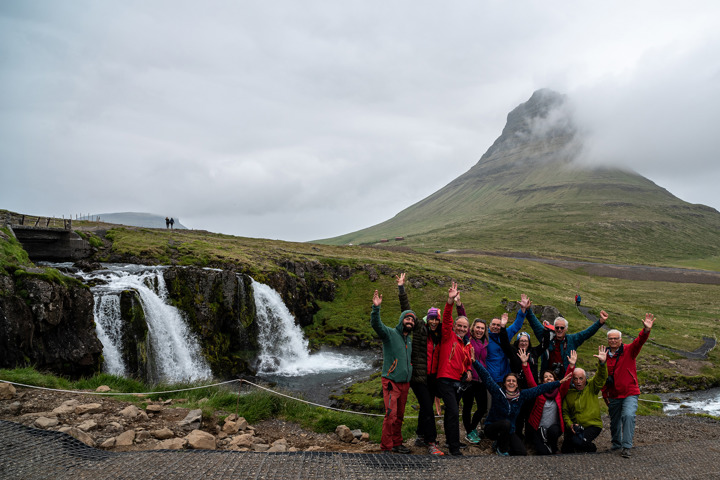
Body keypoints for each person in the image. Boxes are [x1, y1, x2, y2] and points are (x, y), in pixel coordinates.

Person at [473, 350, 572, 456]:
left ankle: (499, 444)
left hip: (508, 431)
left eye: (513, 381)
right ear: (505, 383)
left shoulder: (521, 395)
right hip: (492, 428)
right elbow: (487, 378)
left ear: (517, 384)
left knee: (521, 452)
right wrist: (475, 362)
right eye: (508, 381)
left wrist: (558, 383)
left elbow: (539, 389)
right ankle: (501, 449)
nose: (511, 383)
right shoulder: (498, 392)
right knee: (506, 423)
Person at [396, 273, 444, 456]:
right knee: (427, 407)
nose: (433, 322)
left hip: (432, 377)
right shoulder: (420, 328)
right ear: (427, 319)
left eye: (436, 319)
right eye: (431, 318)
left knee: (426, 406)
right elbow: (406, 310)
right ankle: (432, 443)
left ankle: (420, 436)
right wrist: (401, 288)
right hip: (418, 376)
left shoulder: (440, 336)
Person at [602, 313, 656, 458]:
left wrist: (646, 330)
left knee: (628, 415)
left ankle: (626, 447)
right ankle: (616, 443)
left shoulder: (629, 350)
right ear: (608, 340)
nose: (613, 341)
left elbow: (640, 341)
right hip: (613, 393)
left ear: (621, 340)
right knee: (614, 420)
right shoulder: (604, 354)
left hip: (630, 392)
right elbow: (602, 376)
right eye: (610, 339)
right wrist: (604, 393)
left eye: (615, 338)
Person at [370, 289, 415, 454]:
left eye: (412, 319)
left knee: (400, 415)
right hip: (390, 381)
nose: (410, 321)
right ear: (402, 320)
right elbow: (376, 325)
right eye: (407, 318)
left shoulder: (409, 341)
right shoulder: (390, 334)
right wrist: (376, 309)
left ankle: (397, 443)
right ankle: (386, 447)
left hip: (405, 383)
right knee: (391, 414)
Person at [436, 281, 473, 456]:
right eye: (459, 326)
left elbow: (467, 362)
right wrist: (450, 301)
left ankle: (452, 441)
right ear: (454, 326)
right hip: (445, 379)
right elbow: (446, 317)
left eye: (465, 327)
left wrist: (469, 371)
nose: (462, 328)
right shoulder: (447, 335)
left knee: (453, 412)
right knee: (452, 410)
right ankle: (454, 447)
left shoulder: (465, 343)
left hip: (457, 381)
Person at [524, 350, 577, 455]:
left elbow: (566, 382)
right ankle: (545, 445)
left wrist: (571, 365)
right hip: (539, 428)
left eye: (550, 376)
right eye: (545, 377)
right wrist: (525, 364)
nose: (548, 378)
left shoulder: (559, 392)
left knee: (553, 432)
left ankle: (554, 446)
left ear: (555, 379)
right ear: (543, 381)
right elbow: (530, 381)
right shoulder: (539, 391)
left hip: (554, 427)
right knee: (542, 452)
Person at [533, 310, 608, 379]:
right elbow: (535, 324)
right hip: (548, 379)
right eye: (557, 327)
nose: (559, 329)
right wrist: (527, 310)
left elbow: (587, 333)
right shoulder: (547, 339)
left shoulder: (572, 340)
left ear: (566, 329)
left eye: (562, 328)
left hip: (567, 379)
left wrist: (600, 322)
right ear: (554, 328)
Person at [561, 345, 608, 453]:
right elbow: (565, 412)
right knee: (566, 450)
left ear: (585, 378)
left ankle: (592, 448)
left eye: (581, 378)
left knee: (578, 443)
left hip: (592, 425)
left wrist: (602, 364)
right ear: (572, 380)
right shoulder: (569, 393)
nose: (578, 381)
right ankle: (579, 442)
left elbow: (601, 377)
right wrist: (570, 424)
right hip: (576, 426)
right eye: (575, 379)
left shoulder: (592, 387)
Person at [485, 298, 529, 384]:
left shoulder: (505, 334)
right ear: (489, 326)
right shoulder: (485, 336)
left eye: (498, 325)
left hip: (505, 378)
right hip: (490, 378)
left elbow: (517, 325)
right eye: (493, 324)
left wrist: (523, 310)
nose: (495, 327)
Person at [462, 317, 488, 445]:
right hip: (469, 377)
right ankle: (469, 432)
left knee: (482, 407)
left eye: (482, 328)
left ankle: (471, 429)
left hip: (481, 379)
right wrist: (459, 305)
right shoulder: (468, 339)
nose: (480, 330)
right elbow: (464, 317)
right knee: (467, 406)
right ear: (473, 328)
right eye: (477, 327)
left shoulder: (486, 342)